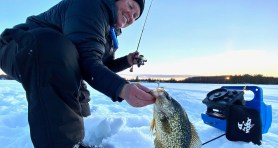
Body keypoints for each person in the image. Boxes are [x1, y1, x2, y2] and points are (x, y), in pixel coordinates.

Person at [0, 0, 155, 147]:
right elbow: (87, 61)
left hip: (61, 60)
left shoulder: (109, 31)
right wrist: (124, 89)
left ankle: (82, 135)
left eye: (136, 16)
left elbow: (100, 66)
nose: (131, 16)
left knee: (80, 101)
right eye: (130, 6)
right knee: (54, 50)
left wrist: (127, 61)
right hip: (22, 46)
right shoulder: (89, 5)